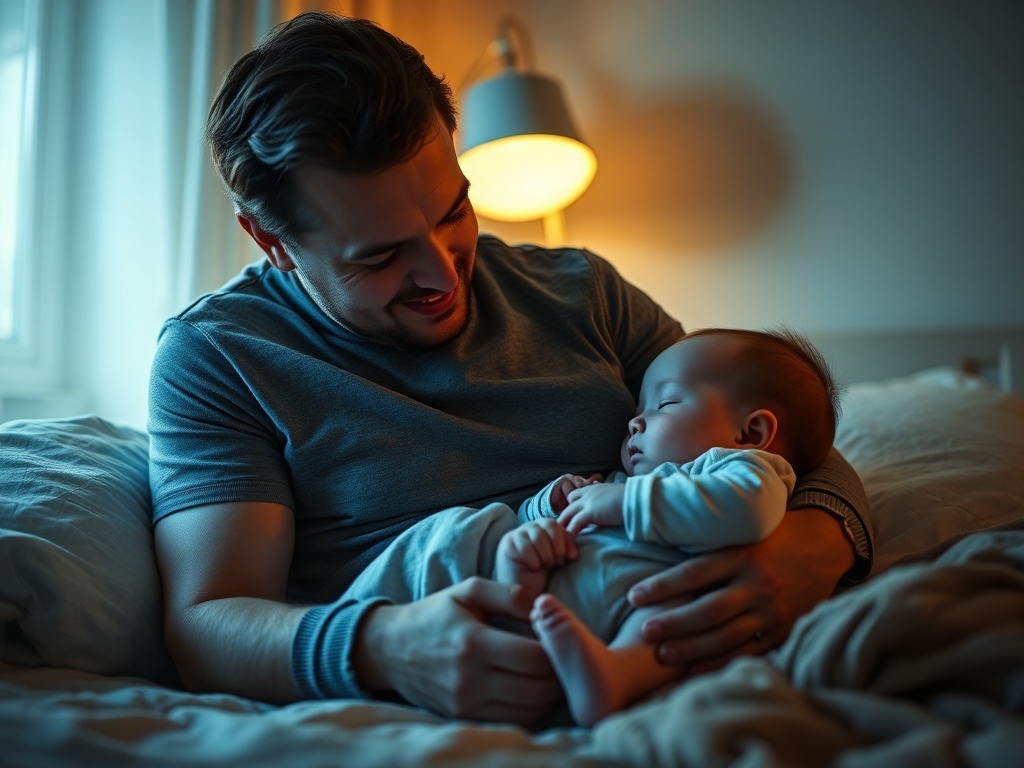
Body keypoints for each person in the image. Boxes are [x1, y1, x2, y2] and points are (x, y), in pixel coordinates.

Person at [147, 11, 872, 726]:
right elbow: (209, 626)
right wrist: (383, 646)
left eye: (453, 212)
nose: (441, 273)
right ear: (270, 239)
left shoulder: (584, 292)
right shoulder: (220, 357)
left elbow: (777, 428)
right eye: (380, 254)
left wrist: (811, 546)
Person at [498, 327, 839, 725]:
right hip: (568, 593)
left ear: (750, 433)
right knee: (519, 542)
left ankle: (615, 675)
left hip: (654, 596)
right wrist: (550, 505)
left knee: (670, 619)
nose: (635, 423)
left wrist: (625, 503)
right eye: (638, 408)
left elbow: (749, 510)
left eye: (665, 402)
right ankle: (520, 622)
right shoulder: (623, 481)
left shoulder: (739, 468)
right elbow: (563, 517)